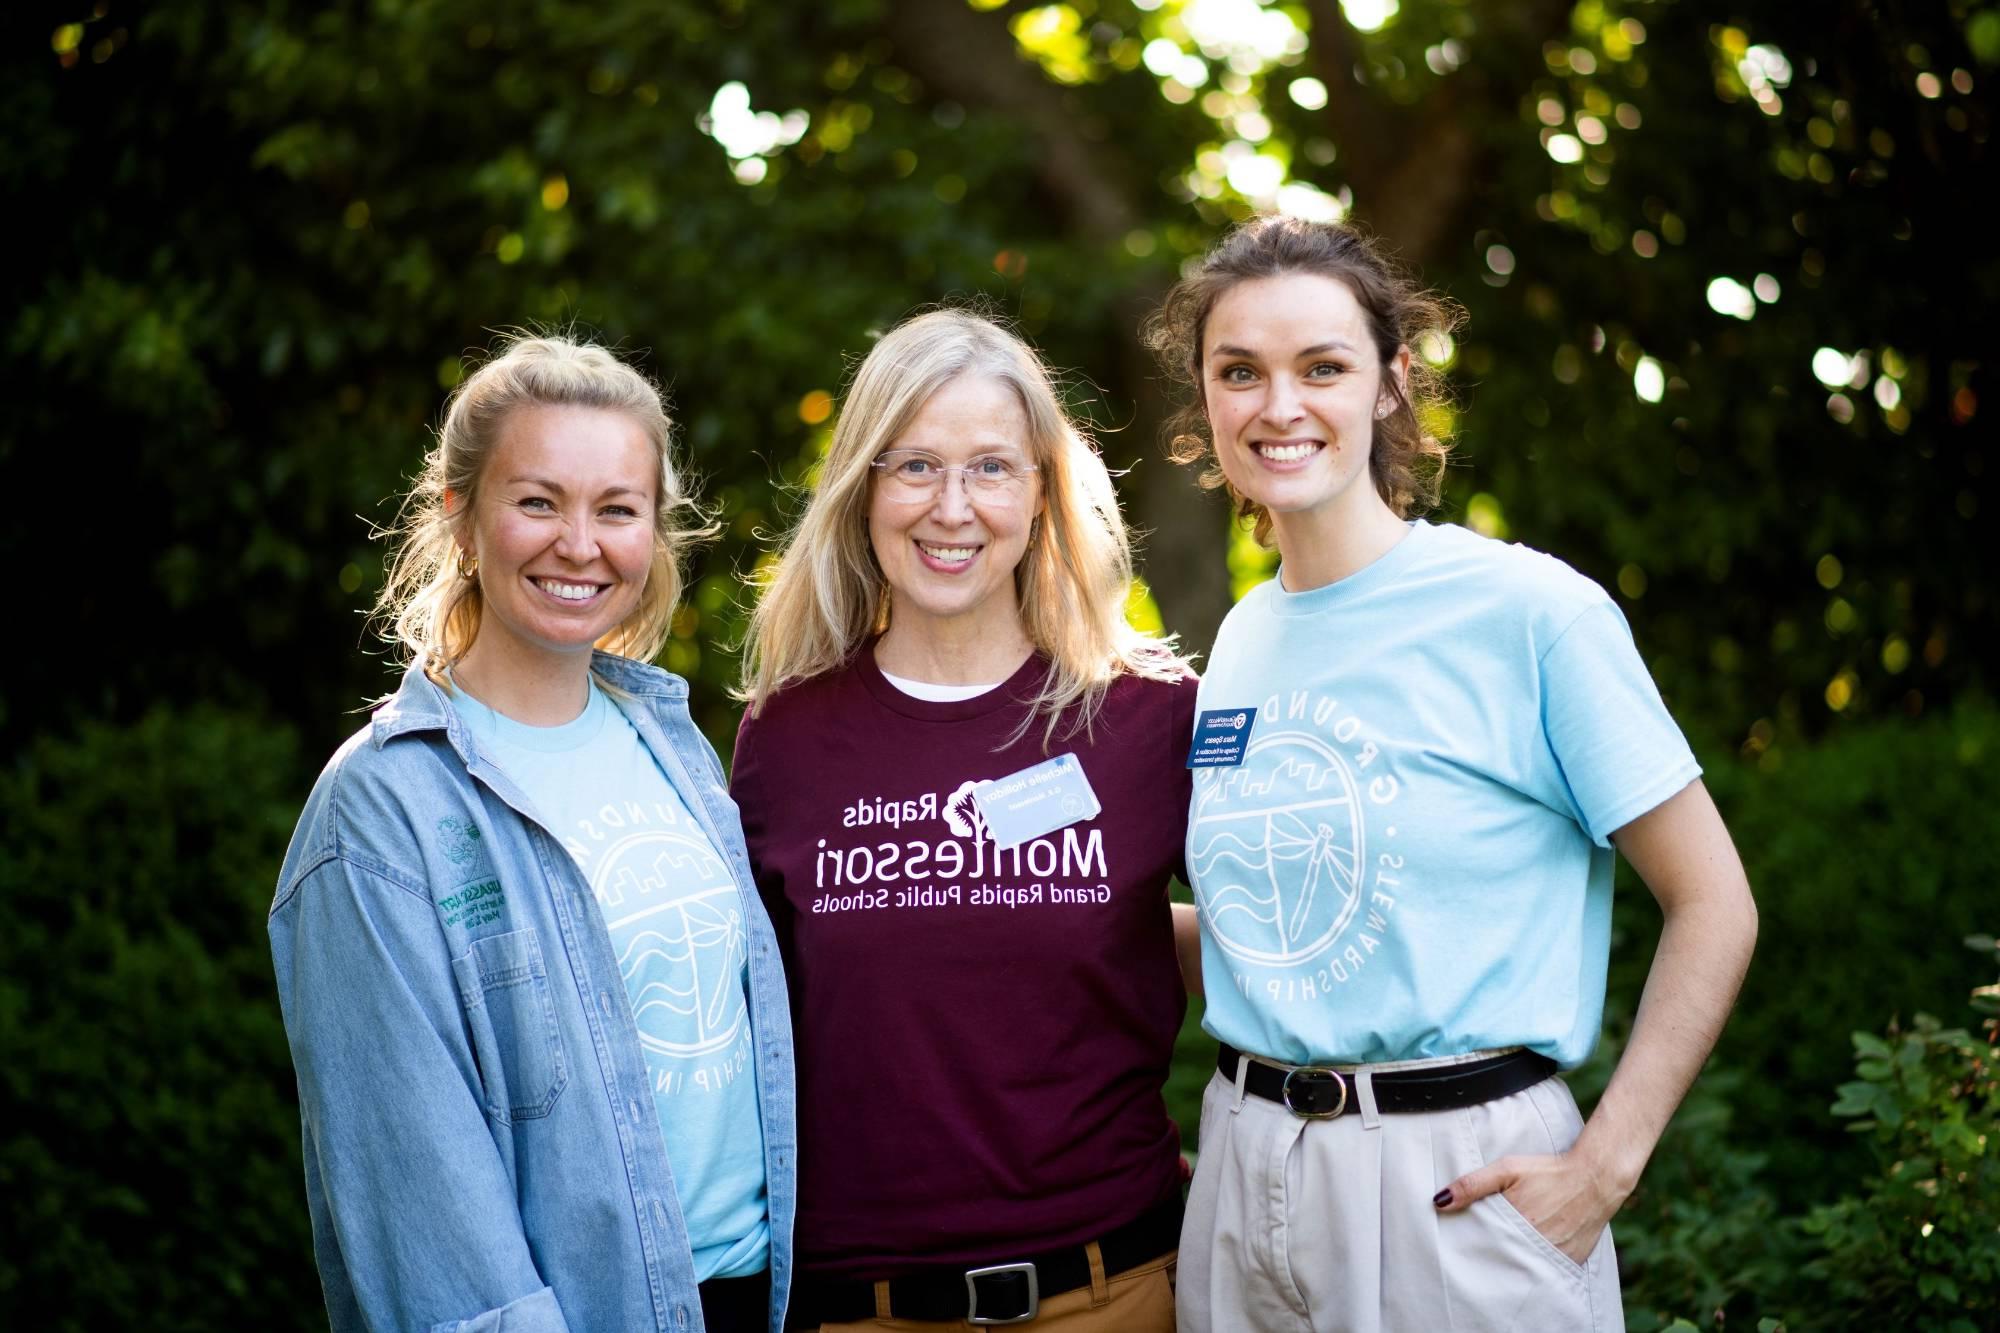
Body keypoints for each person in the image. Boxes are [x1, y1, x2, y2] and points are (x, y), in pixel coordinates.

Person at [1146, 216, 1759, 1332]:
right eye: (1239, 372)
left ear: (1390, 383)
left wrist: (1604, 1165)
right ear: (1205, 400)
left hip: (1456, 1182)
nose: (1277, 406)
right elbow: (1282, 928)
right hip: (1245, 1168)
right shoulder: (1236, 642)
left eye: (1320, 367)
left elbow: (1711, 899)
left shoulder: (1528, 613)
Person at [268, 335, 795, 1333]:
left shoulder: (674, 747)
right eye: (539, 501)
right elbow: (416, 1190)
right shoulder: (381, 813)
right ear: (460, 520)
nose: (580, 543)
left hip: (752, 1299)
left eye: (616, 509)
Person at [731, 309, 1198, 1332]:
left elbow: (1268, 934)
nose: (951, 507)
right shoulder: (784, 738)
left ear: (1039, 496)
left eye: (990, 467)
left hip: (1107, 1292)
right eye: (914, 466)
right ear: (862, 488)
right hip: (860, 1307)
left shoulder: (1143, 717)